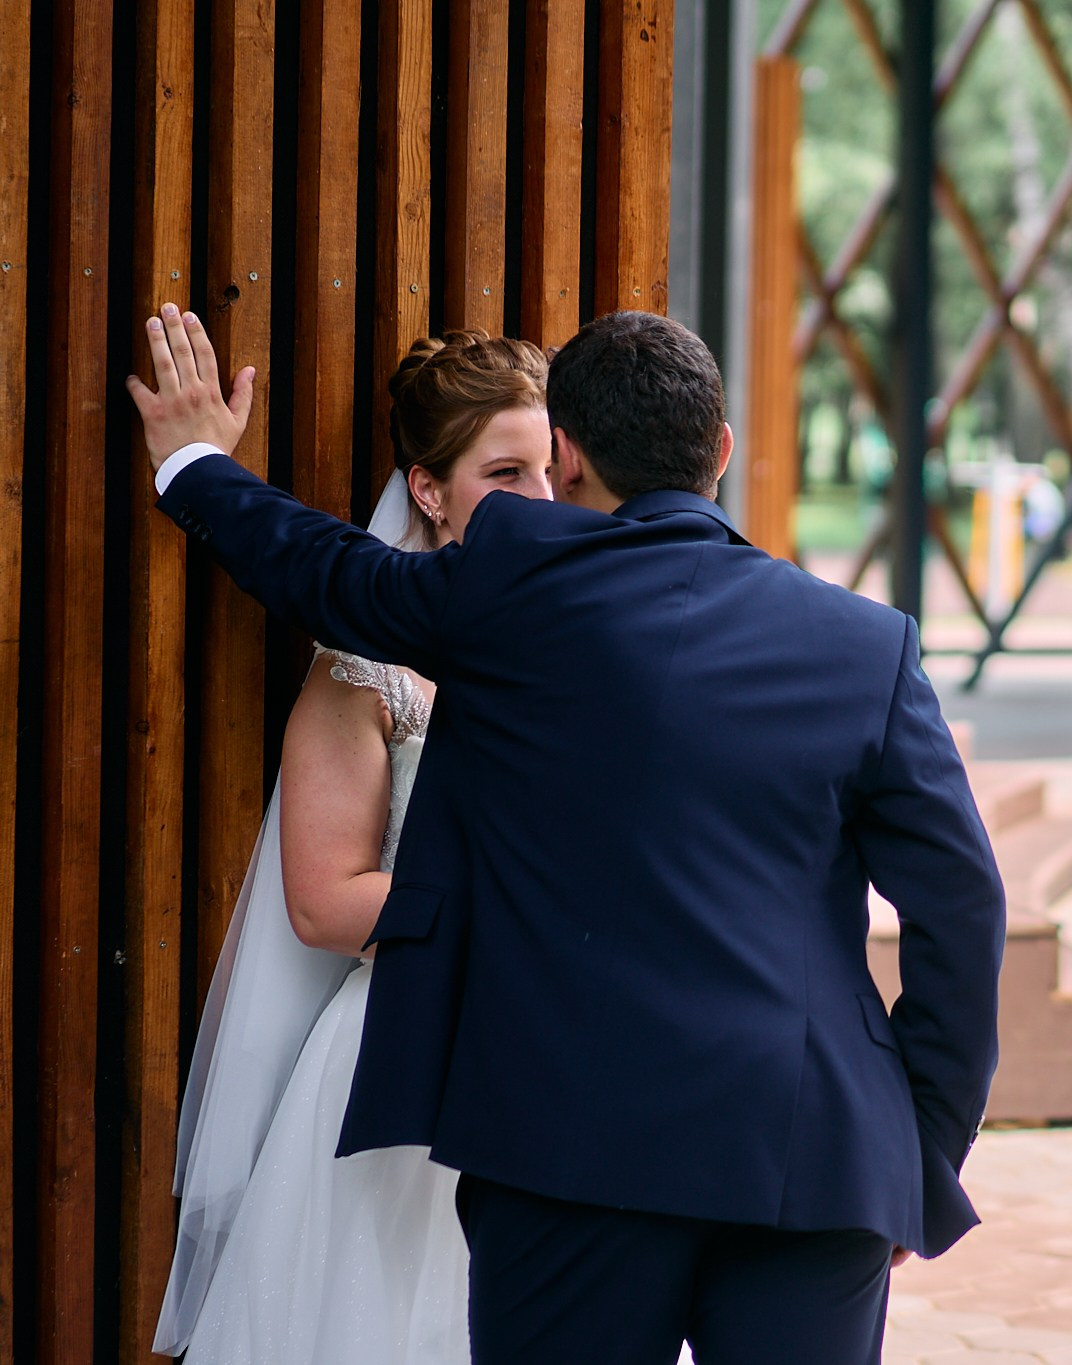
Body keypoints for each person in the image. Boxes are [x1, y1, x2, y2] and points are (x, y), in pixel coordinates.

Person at [128, 302, 1006, 1365]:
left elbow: (327, 572)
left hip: (565, 1151)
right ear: (719, 450)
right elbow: (963, 909)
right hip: (815, 1153)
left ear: (569, 454)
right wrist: (924, 1144)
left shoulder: (513, 589)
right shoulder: (868, 645)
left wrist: (193, 465)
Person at [155, 331, 556, 1362]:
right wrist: (515, 916)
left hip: (549, 1054)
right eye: (506, 473)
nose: (544, 498)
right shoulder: (362, 675)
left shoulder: (570, 640)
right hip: (403, 1054)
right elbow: (323, 902)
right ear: (428, 490)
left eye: (554, 467)